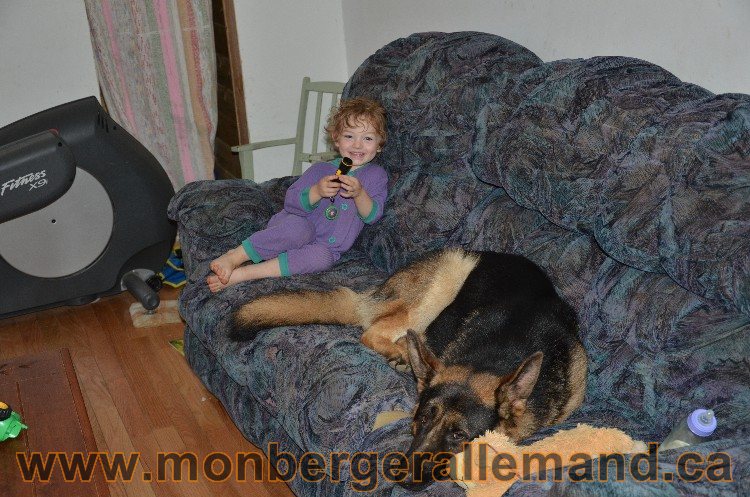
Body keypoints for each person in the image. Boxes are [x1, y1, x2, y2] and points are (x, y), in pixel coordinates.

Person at [207, 97, 388, 292]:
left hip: (326, 247)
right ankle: (236, 256)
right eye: (349, 136)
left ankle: (244, 274)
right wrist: (316, 191)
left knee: (323, 258)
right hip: (292, 227)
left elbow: (373, 215)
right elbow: (291, 202)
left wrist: (359, 194)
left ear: (379, 145)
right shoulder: (321, 169)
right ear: (336, 139)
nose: (358, 145)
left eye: (368, 138)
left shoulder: (376, 175)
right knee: (301, 229)